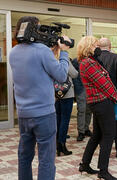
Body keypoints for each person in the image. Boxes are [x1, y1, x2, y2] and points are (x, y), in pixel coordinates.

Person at [9, 16, 70, 180]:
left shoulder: (13, 52)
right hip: (44, 114)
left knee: (24, 156)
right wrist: (63, 52)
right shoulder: (41, 51)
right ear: (34, 30)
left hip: (23, 114)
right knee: (46, 159)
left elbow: (34, 69)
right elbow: (62, 75)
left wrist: (51, 52)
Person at [77, 36, 117, 180]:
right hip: (101, 103)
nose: (98, 47)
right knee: (109, 136)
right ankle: (103, 171)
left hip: (99, 103)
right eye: (95, 45)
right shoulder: (88, 63)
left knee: (97, 135)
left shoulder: (91, 61)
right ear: (89, 47)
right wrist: (116, 96)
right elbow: (103, 83)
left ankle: (85, 164)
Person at [98, 37, 117, 158]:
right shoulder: (116, 58)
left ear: (99, 47)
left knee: (100, 123)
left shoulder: (94, 59)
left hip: (99, 96)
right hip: (114, 95)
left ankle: (103, 148)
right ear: (110, 46)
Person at [55, 57, 78, 156]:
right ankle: (62, 145)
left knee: (58, 119)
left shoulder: (49, 58)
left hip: (55, 93)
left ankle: (56, 145)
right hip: (66, 93)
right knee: (65, 119)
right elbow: (74, 74)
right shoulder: (64, 59)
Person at [72, 58, 93, 142]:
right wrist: (77, 89)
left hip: (90, 88)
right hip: (80, 89)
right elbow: (74, 76)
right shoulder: (76, 61)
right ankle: (81, 132)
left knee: (89, 110)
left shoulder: (92, 60)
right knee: (81, 109)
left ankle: (86, 128)